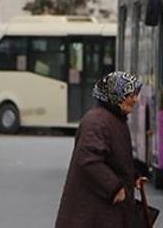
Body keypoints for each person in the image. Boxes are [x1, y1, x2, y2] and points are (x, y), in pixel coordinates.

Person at [55, 72, 147, 228]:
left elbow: (114, 159)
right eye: (131, 94)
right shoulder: (97, 122)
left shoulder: (113, 118)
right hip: (95, 211)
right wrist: (114, 188)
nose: (136, 100)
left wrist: (133, 177)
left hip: (103, 209)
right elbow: (89, 160)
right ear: (116, 94)